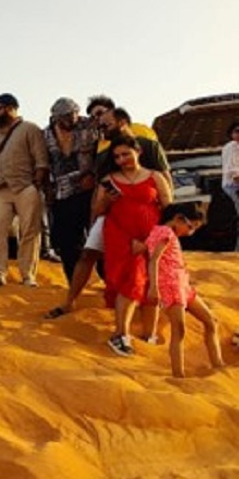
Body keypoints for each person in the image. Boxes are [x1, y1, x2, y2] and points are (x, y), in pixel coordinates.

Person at [46, 98, 172, 319]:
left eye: (106, 124)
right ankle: (70, 301)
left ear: (121, 121)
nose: (101, 128)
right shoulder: (104, 153)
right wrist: (96, 215)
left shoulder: (148, 144)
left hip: (147, 215)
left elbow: (165, 181)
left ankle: (156, 305)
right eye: (99, 124)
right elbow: (100, 188)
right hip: (113, 215)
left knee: (152, 260)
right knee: (88, 254)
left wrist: (167, 222)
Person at [95, 133, 172, 356]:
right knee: (133, 280)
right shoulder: (109, 179)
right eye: (117, 156)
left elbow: (169, 208)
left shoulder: (155, 176)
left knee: (152, 283)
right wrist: (107, 199)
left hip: (151, 237)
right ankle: (121, 334)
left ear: (138, 152)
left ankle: (149, 335)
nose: (122, 160)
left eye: (126, 154)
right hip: (121, 237)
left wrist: (153, 239)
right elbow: (98, 210)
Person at [145, 203, 225, 377]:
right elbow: (154, 260)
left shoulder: (165, 233)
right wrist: (153, 287)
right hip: (171, 286)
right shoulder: (165, 232)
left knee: (211, 321)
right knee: (179, 329)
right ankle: (178, 374)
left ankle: (218, 364)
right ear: (179, 218)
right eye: (191, 227)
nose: (191, 233)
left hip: (183, 285)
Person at [0, 93, 49, 287]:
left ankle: (28, 275)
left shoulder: (30, 129)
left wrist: (36, 185)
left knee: (30, 231)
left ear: (11, 108)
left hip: (26, 186)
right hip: (0, 188)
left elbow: (41, 160)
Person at [43, 98, 98, 282]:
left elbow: (101, 152)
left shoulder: (90, 126)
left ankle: (106, 280)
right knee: (67, 243)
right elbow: (45, 163)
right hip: (62, 193)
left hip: (89, 190)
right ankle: (74, 283)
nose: (71, 119)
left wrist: (93, 175)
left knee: (98, 237)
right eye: (66, 117)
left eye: (74, 114)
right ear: (56, 118)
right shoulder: (46, 134)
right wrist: (48, 189)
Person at [220, 120, 239, 251]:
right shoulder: (230, 148)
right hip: (233, 186)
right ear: (231, 134)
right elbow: (232, 172)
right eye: (237, 131)